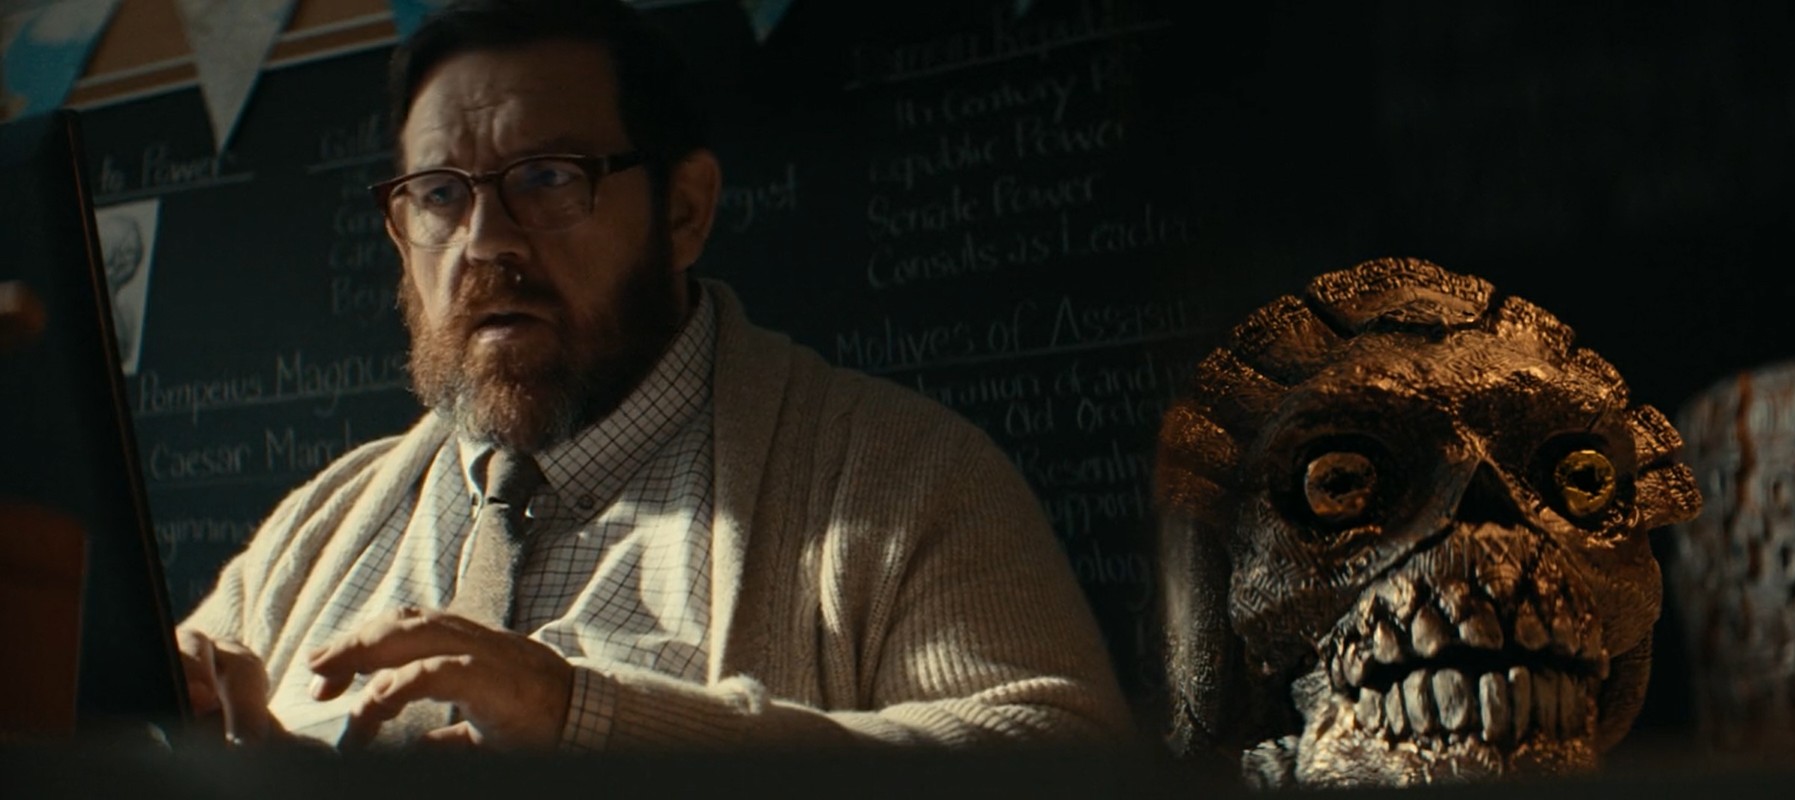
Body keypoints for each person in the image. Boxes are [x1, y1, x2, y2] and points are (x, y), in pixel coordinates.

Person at [171, 0, 1129, 751]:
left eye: (547, 177)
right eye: (439, 194)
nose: (484, 241)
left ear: (684, 210)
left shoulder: (903, 479)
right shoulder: (316, 527)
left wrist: (590, 723)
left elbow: (1061, 756)